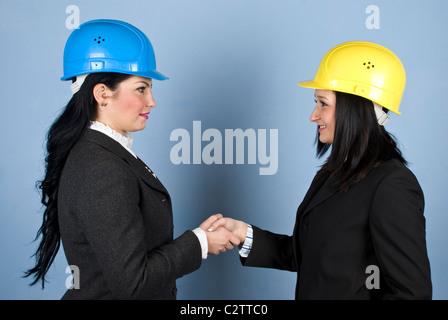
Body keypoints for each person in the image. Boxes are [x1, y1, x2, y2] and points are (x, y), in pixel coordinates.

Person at [24, 19, 239, 299]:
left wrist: (200, 238)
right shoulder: (101, 168)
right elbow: (133, 282)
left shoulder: (103, 154)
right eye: (141, 88)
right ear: (102, 94)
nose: (152, 101)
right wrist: (200, 242)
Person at [211, 41, 432, 299]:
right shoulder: (334, 173)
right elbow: (314, 254)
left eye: (323, 103)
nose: (313, 115)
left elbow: (412, 294)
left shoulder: (391, 185)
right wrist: (244, 235)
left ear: (356, 107)